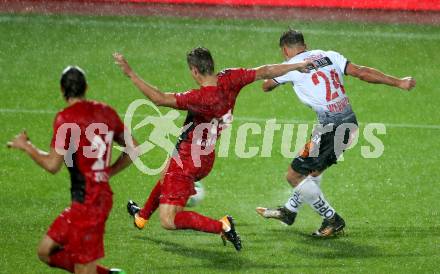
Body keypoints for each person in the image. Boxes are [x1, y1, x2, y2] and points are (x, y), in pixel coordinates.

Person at [112, 47, 314, 251]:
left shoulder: (199, 98)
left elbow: (159, 98)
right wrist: (297, 65)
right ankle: (142, 216)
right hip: (206, 157)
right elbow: (266, 70)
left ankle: (222, 226)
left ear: (194, 71)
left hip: (187, 160)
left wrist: (130, 73)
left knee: (168, 220)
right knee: (165, 173)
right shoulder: (230, 78)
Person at [256, 29, 416, 237]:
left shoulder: (290, 67)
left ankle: (333, 219)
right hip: (350, 125)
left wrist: (280, 73)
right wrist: (399, 82)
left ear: (285, 50)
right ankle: (289, 211)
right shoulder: (330, 55)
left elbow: (266, 86)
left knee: (294, 175)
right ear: (305, 44)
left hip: (330, 129)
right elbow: (361, 72)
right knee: (313, 172)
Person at [7, 66, 137, 274]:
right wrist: (108, 171)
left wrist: (27, 147)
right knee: (45, 251)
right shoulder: (106, 111)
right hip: (88, 201)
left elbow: (52, 165)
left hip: (90, 203)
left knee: (83, 268)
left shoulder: (65, 119)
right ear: (86, 87)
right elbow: (133, 149)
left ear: (61, 89)